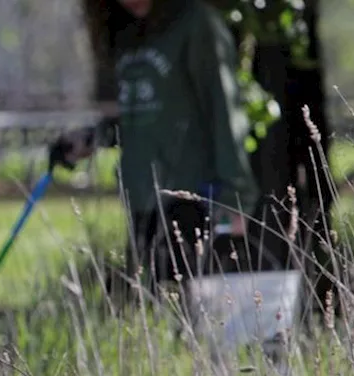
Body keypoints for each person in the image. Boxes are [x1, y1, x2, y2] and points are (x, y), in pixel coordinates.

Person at [52, 0, 261, 292]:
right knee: (156, 311)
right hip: (141, 197)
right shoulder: (126, 32)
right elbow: (142, 115)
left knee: (193, 311)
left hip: (192, 195)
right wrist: (93, 138)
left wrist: (237, 198)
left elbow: (224, 110)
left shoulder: (196, 23)